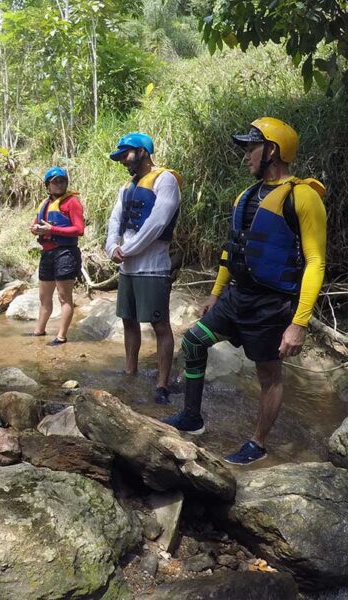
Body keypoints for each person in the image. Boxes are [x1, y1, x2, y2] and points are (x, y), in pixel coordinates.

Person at [163, 117, 327, 465]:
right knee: (193, 341)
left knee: (268, 375)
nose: (246, 155)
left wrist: (299, 323)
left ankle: (258, 444)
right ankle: (191, 417)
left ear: (272, 151)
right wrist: (215, 293)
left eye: (251, 148)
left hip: (272, 305)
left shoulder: (304, 197)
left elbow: (316, 262)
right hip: (237, 297)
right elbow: (232, 249)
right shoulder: (245, 196)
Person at [105, 132, 182, 404]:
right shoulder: (126, 188)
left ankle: (162, 384)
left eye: (126, 154)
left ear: (143, 152)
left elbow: (158, 222)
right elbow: (115, 221)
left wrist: (127, 250)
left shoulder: (166, 180)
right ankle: (130, 370)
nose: (123, 161)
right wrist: (112, 247)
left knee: (160, 324)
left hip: (153, 267)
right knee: (128, 320)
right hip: (127, 267)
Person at [29, 167, 85, 345]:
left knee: (63, 297)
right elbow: (37, 224)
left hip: (66, 253)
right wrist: (35, 229)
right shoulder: (45, 203)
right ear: (48, 185)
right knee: (44, 297)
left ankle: (61, 336)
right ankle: (39, 331)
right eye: (55, 182)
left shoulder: (72, 202)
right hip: (47, 253)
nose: (60, 184)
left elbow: (79, 229)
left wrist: (52, 229)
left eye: (62, 181)